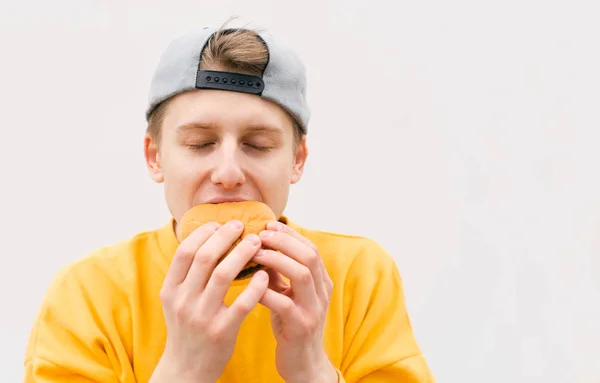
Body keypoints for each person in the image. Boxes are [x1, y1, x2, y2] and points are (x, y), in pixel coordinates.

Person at [24, 20, 436, 383]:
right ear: (155, 157)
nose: (227, 173)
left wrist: (312, 370)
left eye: (257, 145)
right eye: (200, 143)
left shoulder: (358, 276)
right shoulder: (88, 293)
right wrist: (184, 371)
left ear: (297, 160)